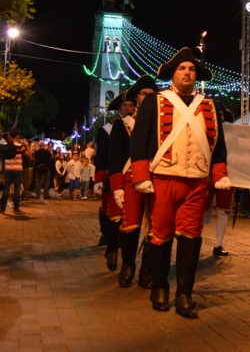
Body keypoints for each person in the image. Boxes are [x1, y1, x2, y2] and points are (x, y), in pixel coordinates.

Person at [130, 48, 230, 318]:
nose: (187, 73)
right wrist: (141, 176)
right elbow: (138, 140)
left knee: (191, 237)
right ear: (173, 74)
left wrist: (219, 174)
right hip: (163, 179)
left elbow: (218, 145)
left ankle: (185, 294)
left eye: (192, 69)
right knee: (160, 235)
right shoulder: (155, 102)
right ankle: (159, 287)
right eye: (182, 68)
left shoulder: (210, 105)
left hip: (197, 183)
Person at [116, 75, 158, 287]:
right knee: (130, 224)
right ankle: (128, 265)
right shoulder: (123, 125)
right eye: (144, 94)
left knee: (154, 226)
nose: (148, 97)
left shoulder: (163, 122)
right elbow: (115, 158)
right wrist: (117, 187)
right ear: (136, 97)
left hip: (156, 176)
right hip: (130, 177)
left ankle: (147, 269)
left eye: (152, 94)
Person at [102, 89, 135, 274]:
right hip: (118, 176)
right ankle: (111, 249)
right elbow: (108, 156)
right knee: (115, 218)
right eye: (125, 105)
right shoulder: (112, 127)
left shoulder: (141, 124)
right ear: (119, 108)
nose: (128, 108)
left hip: (136, 177)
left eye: (131, 105)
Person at [205, 102, 236, 257]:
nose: (219, 116)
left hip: (227, 175)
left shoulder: (233, 133)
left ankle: (218, 244)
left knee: (223, 210)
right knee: (201, 209)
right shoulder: (203, 129)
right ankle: (194, 240)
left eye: (221, 114)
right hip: (207, 174)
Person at [0, 129, 26, 213]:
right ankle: (16, 208)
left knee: (6, 188)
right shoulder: (20, 146)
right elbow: (25, 152)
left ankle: (3, 208)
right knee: (17, 188)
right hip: (18, 169)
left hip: (7, 168)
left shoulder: (4, 145)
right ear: (17, 136)